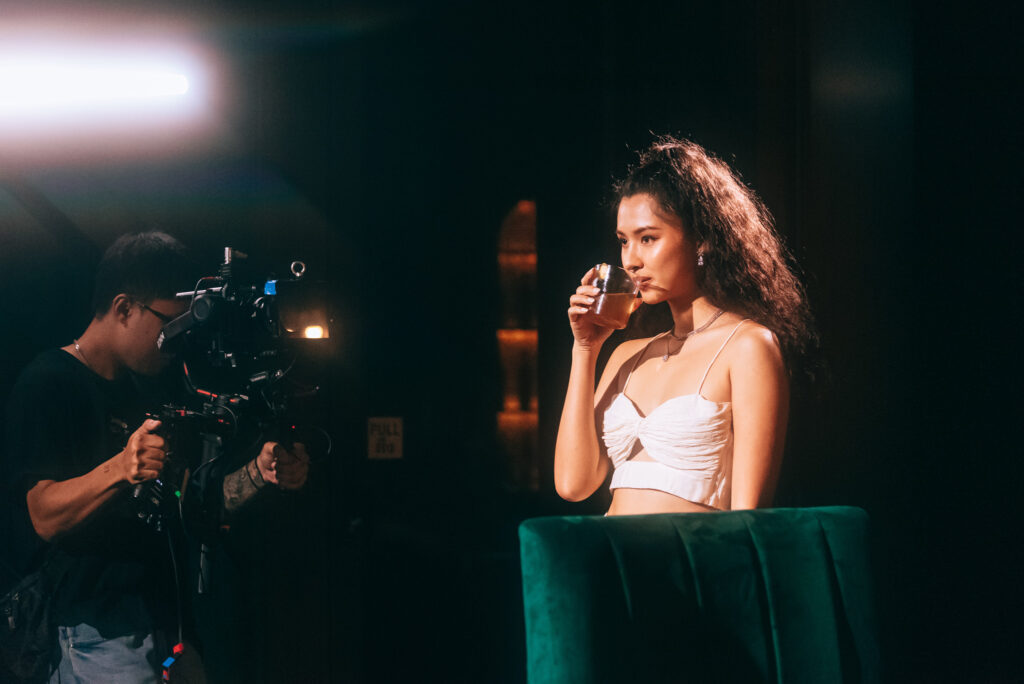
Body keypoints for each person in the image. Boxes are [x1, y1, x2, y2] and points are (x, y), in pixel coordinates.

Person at [3, 231, 309, 682]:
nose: (175, 339)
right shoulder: (50, 382)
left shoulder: (147, 387)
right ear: (124, 308)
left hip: (169, 630)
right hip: (97, 632)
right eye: (168, 322)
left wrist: (260, 473)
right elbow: (41, 515)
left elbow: (190, 503)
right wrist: (120, 469)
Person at [555, 136, 816, 515]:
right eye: (624, 241)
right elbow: (572, 485)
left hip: (694, 552)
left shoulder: (747, 346)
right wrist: (585, 350)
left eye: (648, 238)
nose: (631, 260)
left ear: (701, 240)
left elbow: (749, 516)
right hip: (612, 550)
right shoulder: (626, 356)